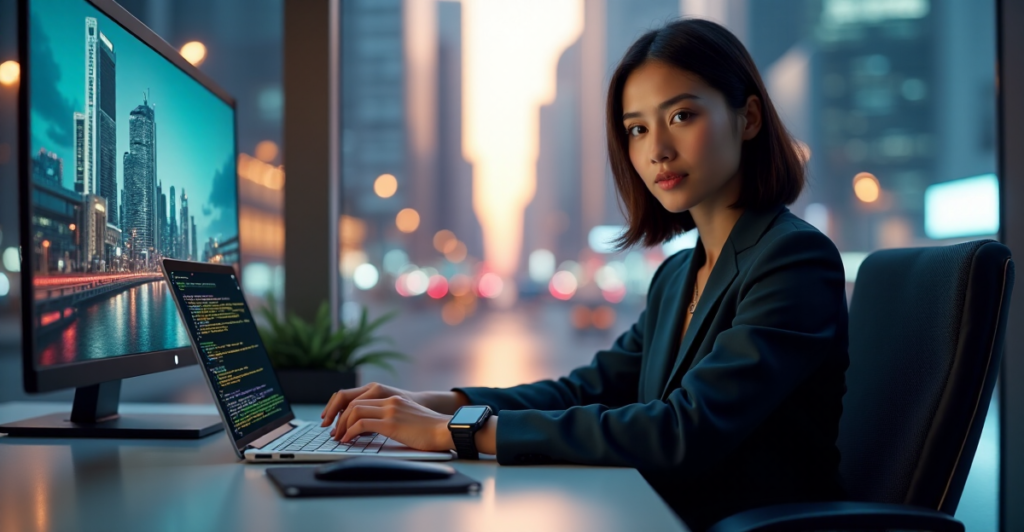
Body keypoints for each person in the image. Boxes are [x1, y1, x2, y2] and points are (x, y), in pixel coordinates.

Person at [320, 18, 849, 530]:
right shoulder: (676, 276)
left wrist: (455, 433)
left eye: (682, 116)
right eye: (637, 129)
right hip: (661, 511)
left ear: (749, 118)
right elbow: (586, 389)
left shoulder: (793, 260)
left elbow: (682, 431)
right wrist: (438, 403)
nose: (657, 149)